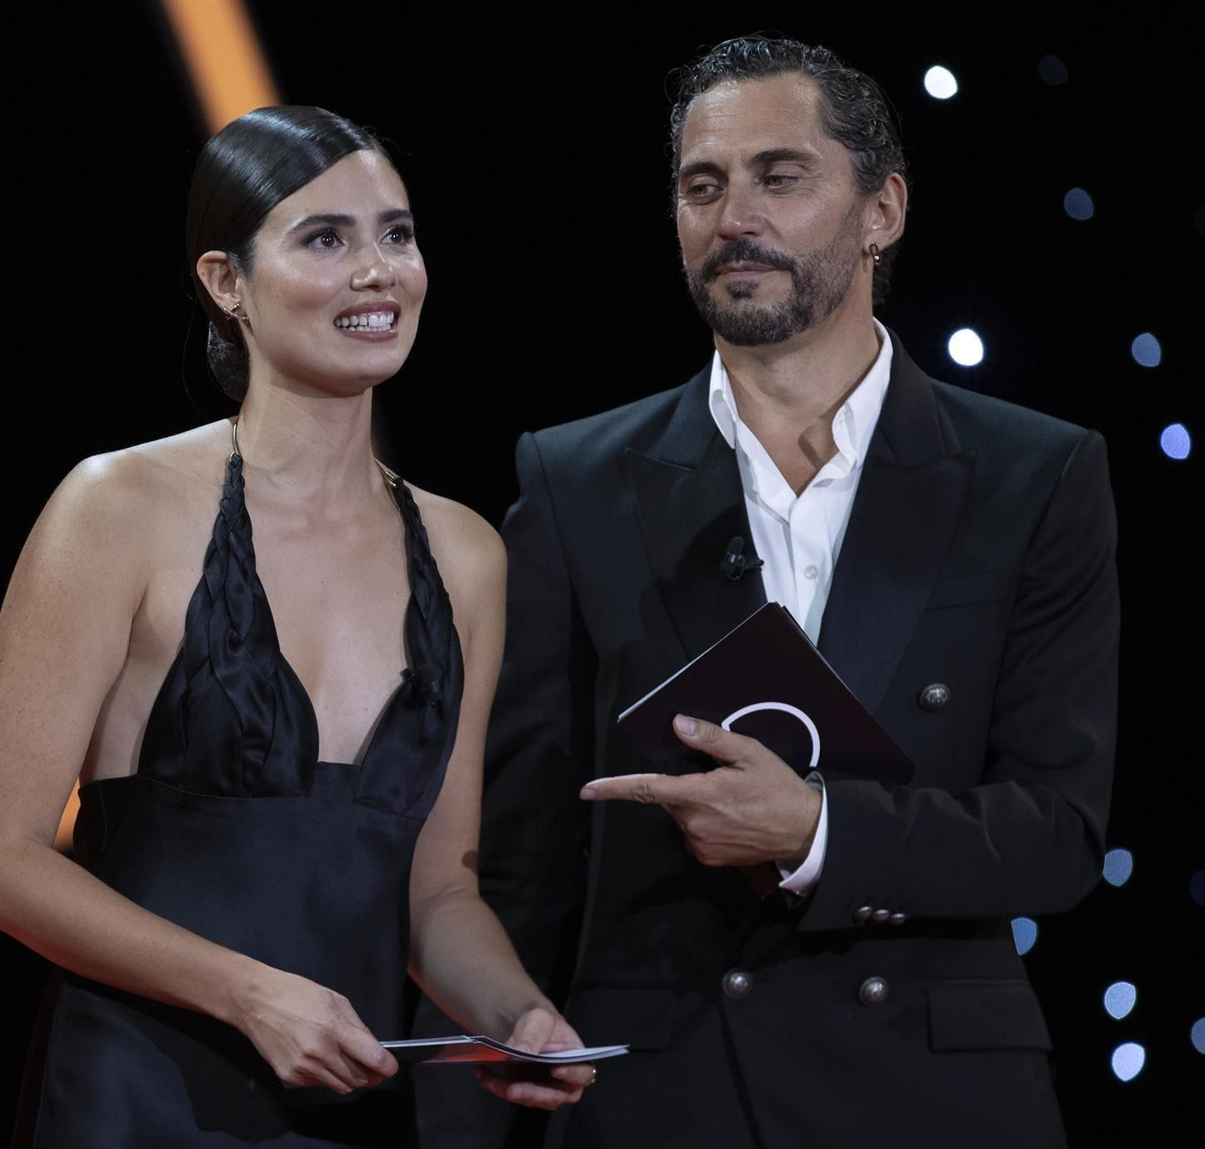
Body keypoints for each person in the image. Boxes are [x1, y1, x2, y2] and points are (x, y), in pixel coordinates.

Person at [425, 36, 1119, 1149]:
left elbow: (1057, 833)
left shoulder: (1033, 473)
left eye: (778, 176)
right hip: (663, 1093)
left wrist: (816, 830)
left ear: (880, 210)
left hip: (932, 1099)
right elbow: (519, 849)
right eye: (702, 185)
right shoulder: (574, 478)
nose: (731, 215)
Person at [0, 106, 591, 1148]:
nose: (379, 270)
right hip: (141, 1099)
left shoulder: (466, 553)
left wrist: (516, 1015)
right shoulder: (117, 508)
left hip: (348, 1108)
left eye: (397, 233)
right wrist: (249, 995)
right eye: (326, 239)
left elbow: (436, 888)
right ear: (225, 282)